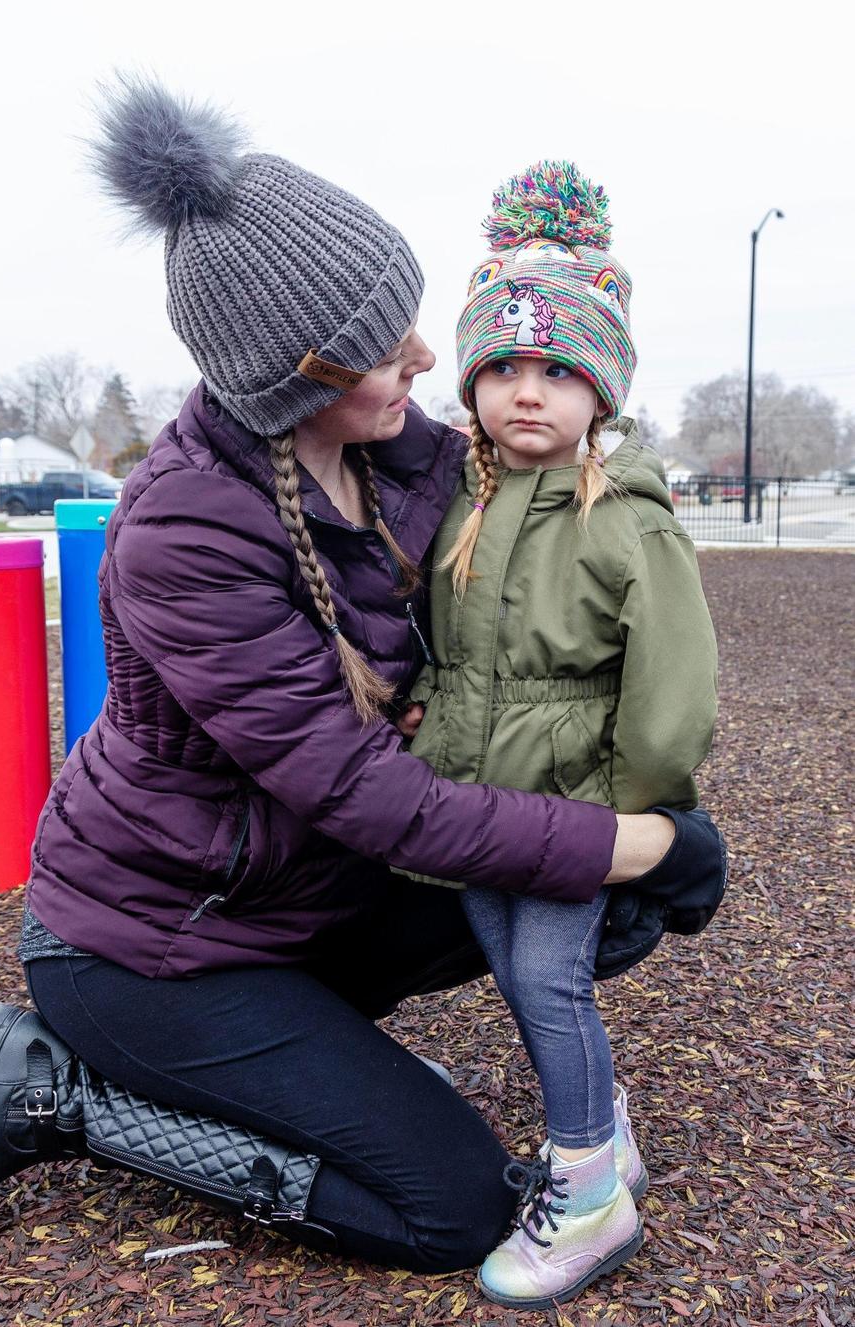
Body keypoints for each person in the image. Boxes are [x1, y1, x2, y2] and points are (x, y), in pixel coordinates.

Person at [0, 81, 725, 1275]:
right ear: (298, 377)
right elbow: (373, 797)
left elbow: (563, 524)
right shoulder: (185, 536)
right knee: (451, 1207)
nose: (426, 358)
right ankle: (66, 1095)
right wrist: (640, 839)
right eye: (383, 342)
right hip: (158, 943)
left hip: (306, 898)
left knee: (610, 905)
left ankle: (309, 1061)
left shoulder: (397, 449)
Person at [400, 161, 719, 1308]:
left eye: (558, 370)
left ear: (602, 389)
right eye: (504, 368)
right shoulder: (464, 500)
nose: (527, 393)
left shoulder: (624, 520)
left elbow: (673, 691)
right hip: (478, 806)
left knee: (548, 982)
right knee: (512, 965)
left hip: (574, 810)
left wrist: (628, 812)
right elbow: (443, 642)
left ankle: (588, 1193)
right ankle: (605, 1137)